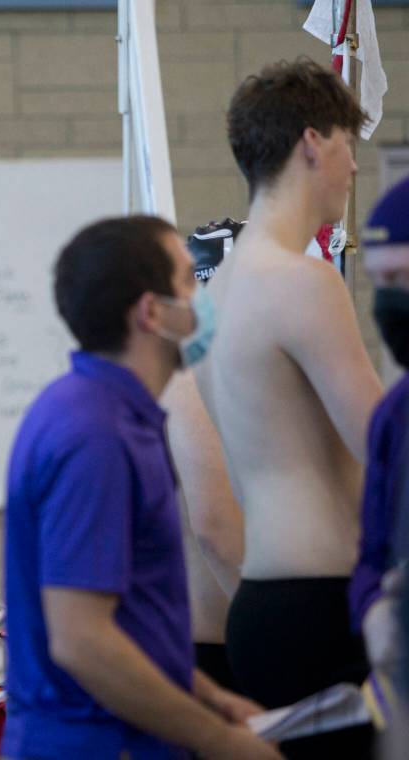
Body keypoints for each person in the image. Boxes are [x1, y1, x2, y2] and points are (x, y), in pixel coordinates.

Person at [1, 215, 280, 760]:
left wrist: (212, 699)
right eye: (188, 283)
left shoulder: (115, 414)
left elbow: (133, 619)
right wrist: (216, 740)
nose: (204, 299)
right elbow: (83, 640)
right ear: (151, 312)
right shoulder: (94, 435)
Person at [196, 59, 384, 756]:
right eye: (348, 146)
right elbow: (382, 444)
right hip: (322, 606)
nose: (354, 170)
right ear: (312, 142)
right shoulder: (304, 281)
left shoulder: (212, 300)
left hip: (262, 606)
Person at [164, 220, 247, 692]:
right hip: (218, 647)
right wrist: (272, 626)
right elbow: (214, 527)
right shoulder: (194, 377)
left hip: (222, 637)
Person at [349, 175, 409, 680]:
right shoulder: (394, 416)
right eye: (379, 282)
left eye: (401, 278)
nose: (388, 304)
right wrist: (372, 611)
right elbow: (371, 554)